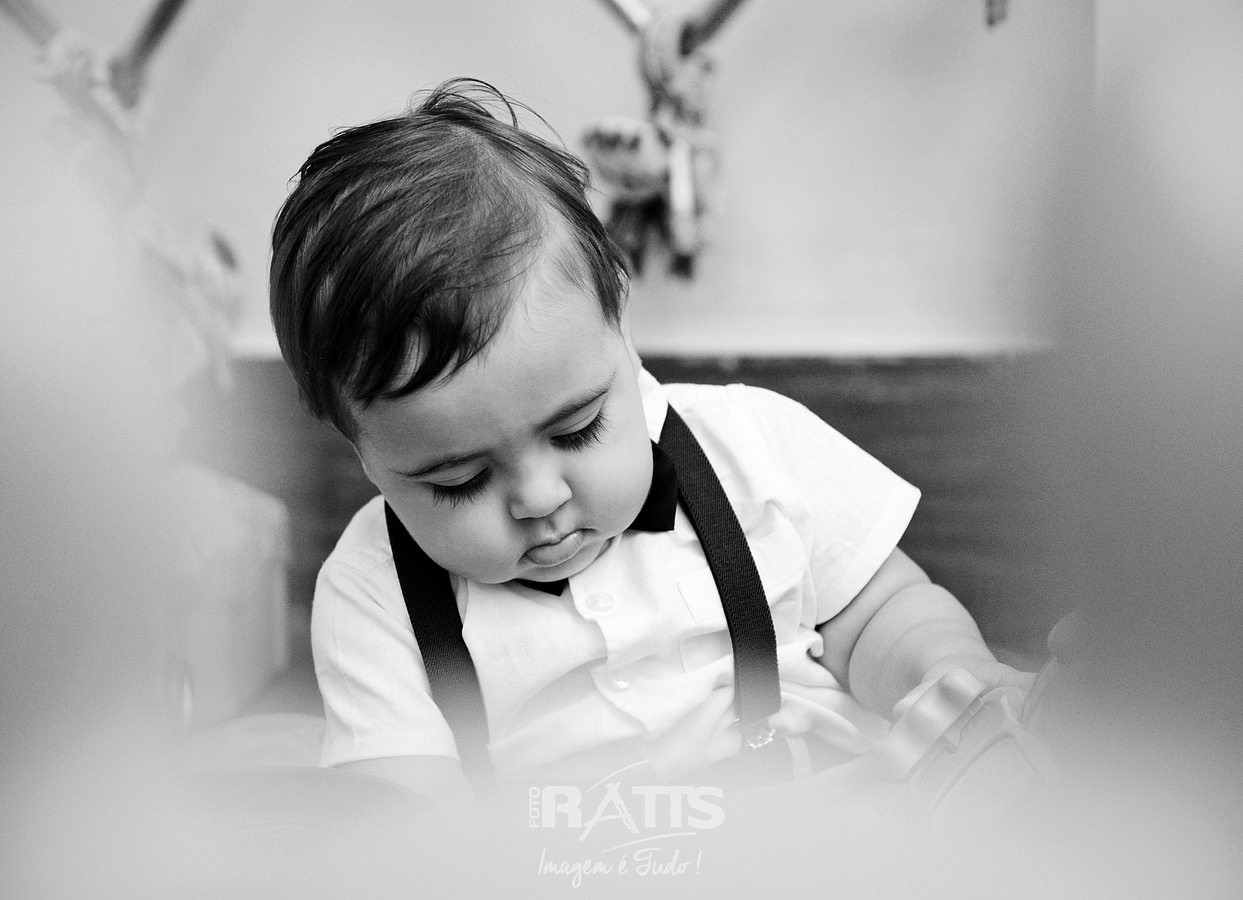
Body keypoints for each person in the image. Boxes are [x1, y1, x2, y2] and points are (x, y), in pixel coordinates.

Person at [268, 78, 1030, 809]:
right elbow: (405, 816)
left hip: (828, 830)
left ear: (619, 323)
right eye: (458, 480)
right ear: (364, 455)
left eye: (576, 429)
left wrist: (947, 676)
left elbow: (880, 614)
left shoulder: (754, 443)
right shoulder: (371, 594)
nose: (540, 498)